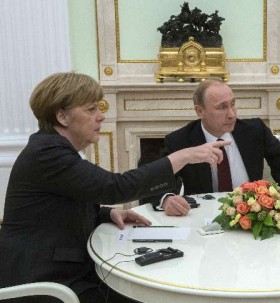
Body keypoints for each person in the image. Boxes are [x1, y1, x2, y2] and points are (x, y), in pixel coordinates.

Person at [0, 72, 229, 303]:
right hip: (46, 284)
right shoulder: (48, 154)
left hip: (67, 271)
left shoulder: (53, 149)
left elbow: (60, 206)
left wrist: (108, 212)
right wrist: (184, 156)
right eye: (91, 110)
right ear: (62, 117)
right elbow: (115, 187)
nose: (101, 116)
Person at [140, 79, 280, 216]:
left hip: (251, 215)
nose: (232, 114)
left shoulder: (255, 130)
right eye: (222, 107)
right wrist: (166, 199)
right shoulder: (180, 140)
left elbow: (279, 159)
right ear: (200, 111)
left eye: (233, 104)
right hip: (202, 217)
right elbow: (150, 176)